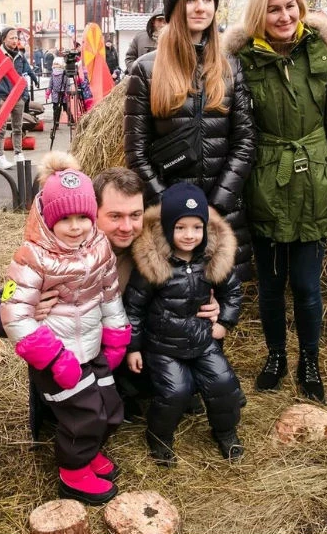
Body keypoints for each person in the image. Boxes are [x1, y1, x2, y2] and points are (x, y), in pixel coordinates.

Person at [227, 0, 327, 401]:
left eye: (290, 6)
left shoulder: (321, 55)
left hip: (315, 181)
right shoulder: (242, 63)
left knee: (306, 285)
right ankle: (275, 357)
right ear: (259, 13)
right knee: (270, 285)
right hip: (267, 181)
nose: (284, 15)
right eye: (274, 9)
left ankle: (310, 361)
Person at [0, 168, 221, 423]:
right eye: (115, 216)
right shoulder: (58, 251)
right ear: (92, 212)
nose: (127, 227)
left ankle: (164, 391)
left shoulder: (161, 248)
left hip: (129, 359)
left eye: (135, 215)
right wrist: (25, 309)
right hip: (71, 369)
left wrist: (208, 302)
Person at [0, 153, 131, 506]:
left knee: (109, 404)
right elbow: (13, 313)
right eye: (65, 219)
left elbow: (109, 293)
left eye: (82, 217)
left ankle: (89, 455)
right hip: (56, 356)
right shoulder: (33, 256)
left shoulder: (98, 246)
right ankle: (72, 473)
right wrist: (54, 357)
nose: (75, 227)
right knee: (82, 414)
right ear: (47, 219)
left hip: (91, 347)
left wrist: (117, 334)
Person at [124, 0, 256, 281]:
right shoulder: (146, 70)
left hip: (222, 209)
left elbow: (245, 140)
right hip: (169, 211)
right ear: (174, 8)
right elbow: (136, 152)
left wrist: (217, 204)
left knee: (218, 307)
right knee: (173, 306)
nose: (201, 7)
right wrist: (173, 209)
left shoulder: (230, 68)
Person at [123, 182, 244, 464]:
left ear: (205, 228)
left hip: (203, 341)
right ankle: (160, 436)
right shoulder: (155, 264)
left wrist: (224, 320)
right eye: (180, 227)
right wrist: (134, 347)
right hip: (163, 347)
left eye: (196, 227)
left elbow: (233, 292)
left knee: (223, 383)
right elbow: (135, 307)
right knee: (174, 392)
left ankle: (226, 431)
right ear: (167, 228)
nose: (189, 235)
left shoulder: (211, 260)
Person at [0, 28, 39, 169]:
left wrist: (25, 95)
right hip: (3, 97)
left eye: (16, 38)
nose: (15, 40)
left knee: (18, 127)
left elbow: (27, 71)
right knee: (0, 128)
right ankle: (0, 156)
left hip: (18, 97)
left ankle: (18, 153)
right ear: (4, 39)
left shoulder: (20, 56)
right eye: (11, 38)